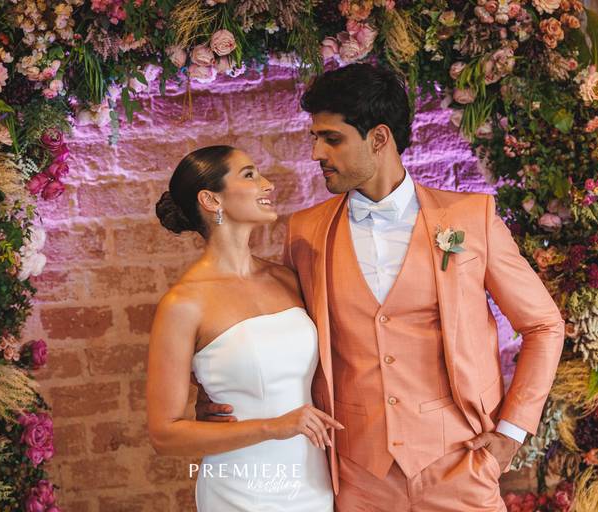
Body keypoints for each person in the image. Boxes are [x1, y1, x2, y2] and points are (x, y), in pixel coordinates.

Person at [197, 64, 565, 511]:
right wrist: (224, 392)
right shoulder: (305, 232)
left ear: (378, 138)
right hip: (357, 474)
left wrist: (511, 432)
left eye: (332, 138)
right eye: (315, 137)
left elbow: (544, 325)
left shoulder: (471, 219)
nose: (316, 152)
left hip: (461, 464)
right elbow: (283, 331)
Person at [146, 145, 337, 511]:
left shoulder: (286, 278)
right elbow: (164, 435)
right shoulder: (184, 304)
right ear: (211, 199)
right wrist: (272, 426)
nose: (267, 184)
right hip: (239, 491)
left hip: (313, 483)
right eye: (249, 175)